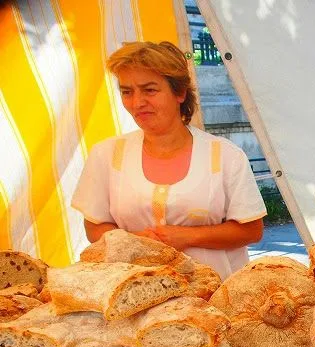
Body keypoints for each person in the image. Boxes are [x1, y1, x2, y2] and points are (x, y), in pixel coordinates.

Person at [72, 41, 265, 279]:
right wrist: (132, 242)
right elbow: (95, 226)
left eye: (149, 90)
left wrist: (188, 236)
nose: (137, 102)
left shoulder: (226, 156)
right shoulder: (106, 155)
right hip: (135, 296)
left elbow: (251, 230)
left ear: (180, 92)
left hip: (215, 297)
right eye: (127, 92)